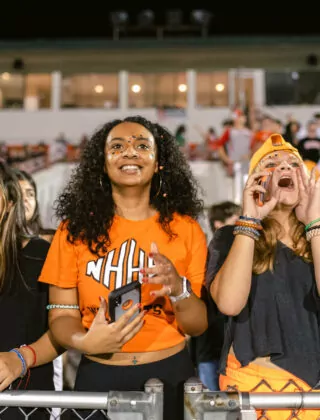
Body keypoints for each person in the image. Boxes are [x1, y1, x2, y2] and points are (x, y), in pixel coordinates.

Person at [39, 115, 208, 420]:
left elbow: (197, 326)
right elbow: (61, 314)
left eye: (142, 145)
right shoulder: (72, 230)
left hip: (170, 375)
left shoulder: (187, 230)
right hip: (98, 375)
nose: (130, 152)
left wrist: (177, 288)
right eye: (117, 147)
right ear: (102, 163)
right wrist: (83, 341)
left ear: (158, 162)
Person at [207, 133, 320, 419]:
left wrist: (314, 225)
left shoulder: (318, 236)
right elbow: (229, 304)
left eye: (293, 164)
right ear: (257, 181)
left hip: (314, 394)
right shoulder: (228, 238)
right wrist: (250, 220)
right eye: (272, 163)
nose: (284, 168)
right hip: (250, 390)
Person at [0, 162, 63, 419]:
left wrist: (21, 359)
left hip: (24, 404)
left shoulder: (39, 255)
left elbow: (62, 331)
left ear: (9, 202)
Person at [190, 201, 241, 391]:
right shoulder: (205, 255)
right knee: (211, 406)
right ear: (219, 224)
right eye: (234, 219)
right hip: (209, 348)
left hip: (229, 349)